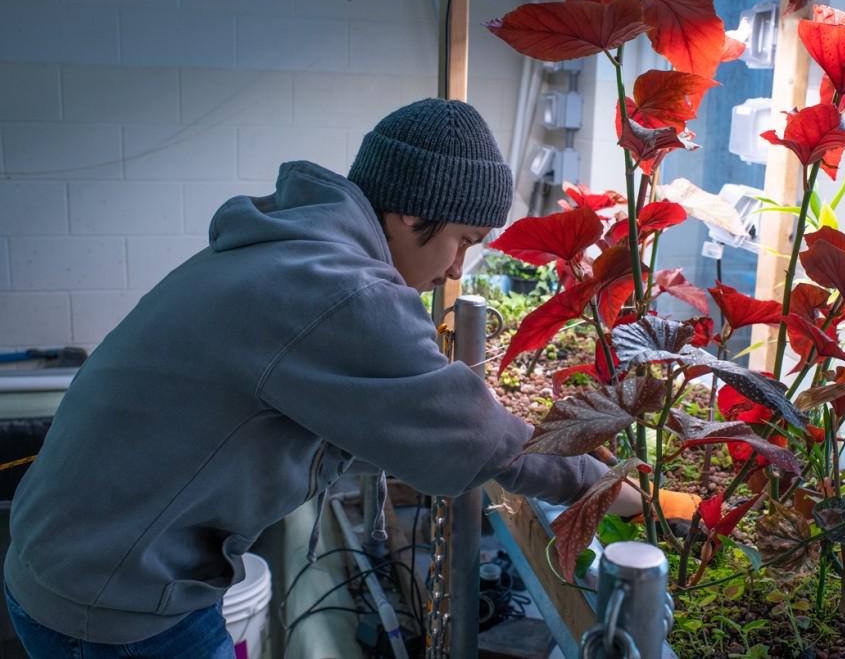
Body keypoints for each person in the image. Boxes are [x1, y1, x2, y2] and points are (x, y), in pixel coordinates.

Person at [3, 98, 697, 658]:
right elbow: (478, 442)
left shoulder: (292, 246)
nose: (458, 268)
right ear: (405, 211)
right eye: (463, 239)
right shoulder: (339, 289)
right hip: (112, 601)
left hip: (69, 557)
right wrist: (617, 491)